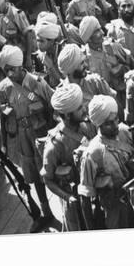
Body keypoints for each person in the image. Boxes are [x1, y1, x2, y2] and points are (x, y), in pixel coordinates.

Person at [0, 46, 55, 229]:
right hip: (22, 137)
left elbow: (54, 106)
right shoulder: (4, 87)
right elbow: (3, 115)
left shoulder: (37, 83)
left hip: (41, 134)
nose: (8, 74)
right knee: (34, 176)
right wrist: (4, 145)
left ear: (19, 66)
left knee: (51, 172)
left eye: (10, 70)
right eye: (5, 71)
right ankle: (46, 213)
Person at [78, 95, 134, 229]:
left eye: (116, 119)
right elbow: (85, 197)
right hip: (116, 210)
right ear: (98, 124)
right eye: (109, 123)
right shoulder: (93, 154)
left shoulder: (127, 132)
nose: (115, 125)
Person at [41, 83, 90, 231]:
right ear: (68, 115)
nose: (84, 109)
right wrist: (68, 198)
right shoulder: (54, 146)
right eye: (79, 108)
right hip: (74, 203)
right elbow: (48, 180)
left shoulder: (87, 126)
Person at [57, 43, 116, 139]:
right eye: (81, 63)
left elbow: (115, 108)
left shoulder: (95, 82)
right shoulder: (62, 94)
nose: (86, 65)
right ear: (71, 69)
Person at [79, 15, 134, 111]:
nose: (102, 33)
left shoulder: (113, 46)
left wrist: (119, 69)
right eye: (96, 31)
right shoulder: (84, 58)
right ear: (89, 38)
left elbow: (133, 66)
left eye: (100, 29)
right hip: (104, 105)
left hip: (123, 97)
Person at [0, 0, 34, 71]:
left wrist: (29, 58)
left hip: (22, 55)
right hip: (9, 58)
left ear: (3, 2)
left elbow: (29, 34)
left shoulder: (16, 14)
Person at [32, 20, 64, 88]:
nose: (38, 44)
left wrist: (51, 67)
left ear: (52, 41)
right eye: (38, 40)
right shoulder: (41, 54)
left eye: (41, 41)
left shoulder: (63, 52)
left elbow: (65, 82)